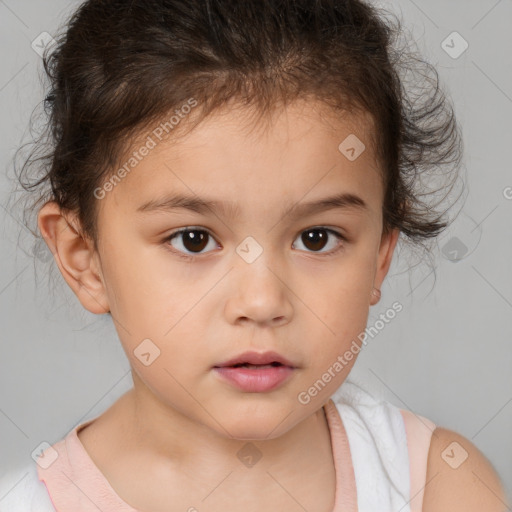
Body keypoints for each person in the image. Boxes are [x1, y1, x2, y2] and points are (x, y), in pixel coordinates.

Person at [0, 0, 508, 510]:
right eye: (193, 239)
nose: (262, 302)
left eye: (316, 238)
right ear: (83, 256)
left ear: (379, 252)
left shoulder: (439, 485)